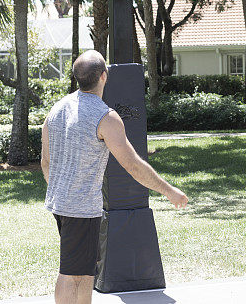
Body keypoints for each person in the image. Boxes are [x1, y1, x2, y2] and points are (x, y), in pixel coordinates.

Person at [41, 50, 188, 304]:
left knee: (85, 273)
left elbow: (46, 161)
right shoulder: (105, 117)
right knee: (71, 273)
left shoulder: (57, 109)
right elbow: (132, 165)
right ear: (103, 77)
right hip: (80, 209)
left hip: (61, 204)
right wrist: (169, 190)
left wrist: (59, 190)